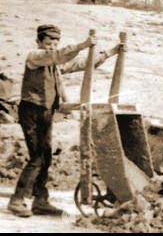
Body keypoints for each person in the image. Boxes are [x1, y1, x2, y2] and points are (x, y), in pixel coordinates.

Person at [8, 25, 123, 218]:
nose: (52, 47)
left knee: (45, 157)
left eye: (55, 43)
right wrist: (83, 44)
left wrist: (110, 52)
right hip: (32, 112)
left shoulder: (55, 64)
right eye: (48, 43)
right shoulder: (35, 56)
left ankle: (40, 201)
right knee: (37, 157)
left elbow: (82, 64)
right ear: (38, 42)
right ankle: (17, 200)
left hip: (46, 112)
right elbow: (58, 55)